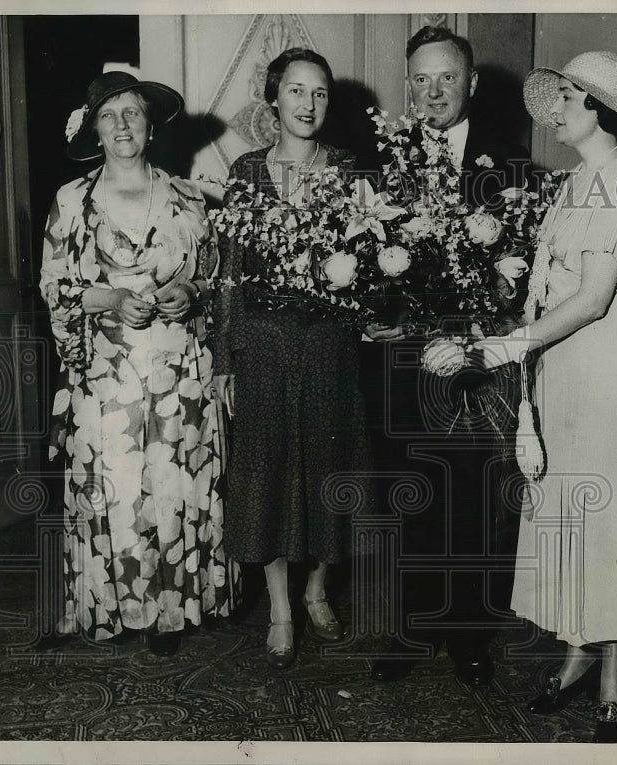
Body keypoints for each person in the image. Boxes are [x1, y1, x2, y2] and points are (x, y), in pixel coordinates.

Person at [474, 51, 617, 743]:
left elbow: (590, 299)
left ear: (596, 107)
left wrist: (509, 346)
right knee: (569, 511)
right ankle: (579, 648)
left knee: (610, 518)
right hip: (563, 363)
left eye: (564, 98)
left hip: (609, 362)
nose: (554, 109)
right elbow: (551, 283)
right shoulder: (578, 179)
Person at [38, 67, 239, 657]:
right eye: (109, 115)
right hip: (107, 373)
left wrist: (192, 293)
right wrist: (109, 298)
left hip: (180, 371)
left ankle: (168, 611)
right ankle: (116, 605)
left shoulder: (188, 197)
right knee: (118, 489)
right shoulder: (71, 201)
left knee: (172, 484)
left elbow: (217, 278)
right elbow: (54, 287)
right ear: (94, 131)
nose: (122, 124)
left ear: (149, 126)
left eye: (132, 113)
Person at [364, 25, 531, 687]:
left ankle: (468, 634)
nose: (434, 92)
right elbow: (365, 267)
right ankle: (405, 629)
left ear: (472, 84)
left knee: (469, 497)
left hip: (471, 363)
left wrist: (469, 338)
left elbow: (520, 278)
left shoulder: (510, 167)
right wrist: (382, 319)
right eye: (422, 80)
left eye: (447, 78)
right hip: (401, 359)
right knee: (404, 495)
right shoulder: (381, 163)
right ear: (408, 86)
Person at [212, 48, 374, 669]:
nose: (309, 105)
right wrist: (226, 356)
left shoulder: (349, 169)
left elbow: (363, 269)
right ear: (273, 98)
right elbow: (228, 276)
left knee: (330, 470)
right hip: (262, 344)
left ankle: (317, 590)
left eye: (321, 93)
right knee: (269, 476)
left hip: (329, 345)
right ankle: (280, 606)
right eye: (298, 92)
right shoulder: (245, 173)